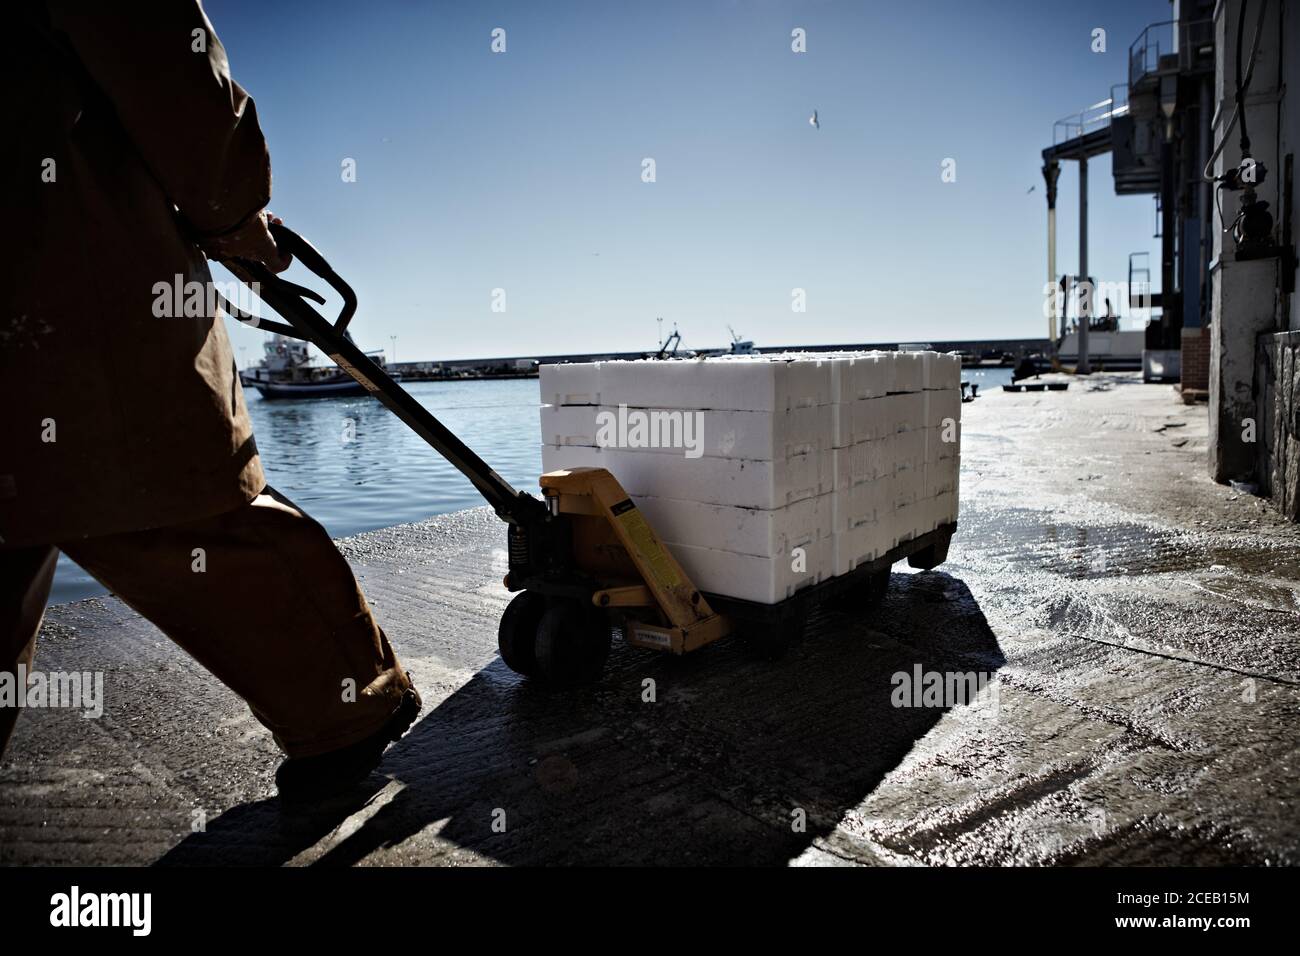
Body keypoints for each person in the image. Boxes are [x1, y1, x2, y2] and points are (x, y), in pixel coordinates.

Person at [1, 1, 419, 802]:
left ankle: (347, 707)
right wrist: (231, 210)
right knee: (167, 484)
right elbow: (162, 52)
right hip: (67, 255)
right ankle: (347, 703)